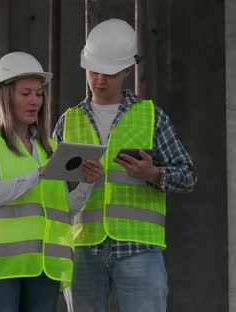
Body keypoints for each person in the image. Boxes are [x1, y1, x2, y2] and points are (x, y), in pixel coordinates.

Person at [52, 19, 197, 312]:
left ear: (128, 70)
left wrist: (153, 173)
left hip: (138, 248)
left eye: (109, 73)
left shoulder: (152, 116)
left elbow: (188, 175)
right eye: (94, 71)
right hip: (83, 247)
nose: (99, 80)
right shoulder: (68, 121)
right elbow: (51, 188)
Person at [0, 51, 103, 312]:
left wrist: (86, 182)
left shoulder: (50, 148)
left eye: (39, 94)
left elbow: (65, 209)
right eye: (26, 93)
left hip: (44, 268)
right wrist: (38, 174)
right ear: (6, 96)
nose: (35, 101)